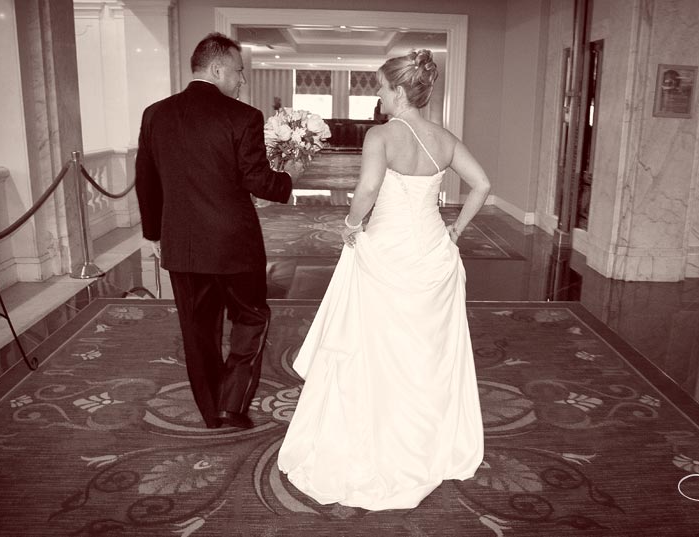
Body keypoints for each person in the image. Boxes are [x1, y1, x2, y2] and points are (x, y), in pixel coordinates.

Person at [278, 49, 491, 510]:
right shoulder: (445, 138)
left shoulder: (382, 135)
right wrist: (456, 229)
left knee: (375, 345)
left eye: (379, 86)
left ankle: (378, 432)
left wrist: (351, 227)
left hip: (388, 253)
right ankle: (426, 437)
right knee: (424, 350)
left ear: (398, 91)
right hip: (433, 252)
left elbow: (368, 190)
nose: (376, 94)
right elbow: (483, 185)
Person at [135, 33, 298, 430]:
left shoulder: (155, 114)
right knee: (251, 317)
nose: (242, 81)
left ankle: (211, 412)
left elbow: (146, 180)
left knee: (197, 329)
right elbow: (258, 180)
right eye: (239, 72)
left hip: (183, 245)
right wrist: (291, 179)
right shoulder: (243, 117)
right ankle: (233, 405)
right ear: (218, 68)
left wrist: (155, 235)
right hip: (235, 244)